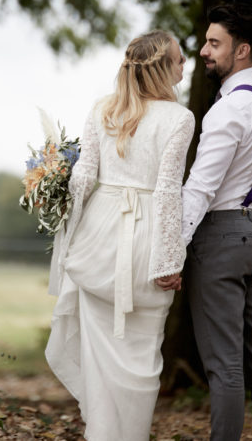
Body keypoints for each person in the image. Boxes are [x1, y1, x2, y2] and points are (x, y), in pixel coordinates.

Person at [46, 29, 195, 441]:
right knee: (144, 354)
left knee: (99, 354)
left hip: (99, 236)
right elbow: (167, 191)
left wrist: (69, 239)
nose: (186, 64)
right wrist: (170, 260)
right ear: (163, 68)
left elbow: (82, 180)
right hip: (146, 233)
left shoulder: (101, 110)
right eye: (180, 59)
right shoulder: (180, 119)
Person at [181, 2, 252, 441]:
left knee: (224, 364)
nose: (205, 51)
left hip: (223, 238)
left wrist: (173, 251)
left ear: (241, 50)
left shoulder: (228, 109)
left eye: (214, 43)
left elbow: (200, 188)